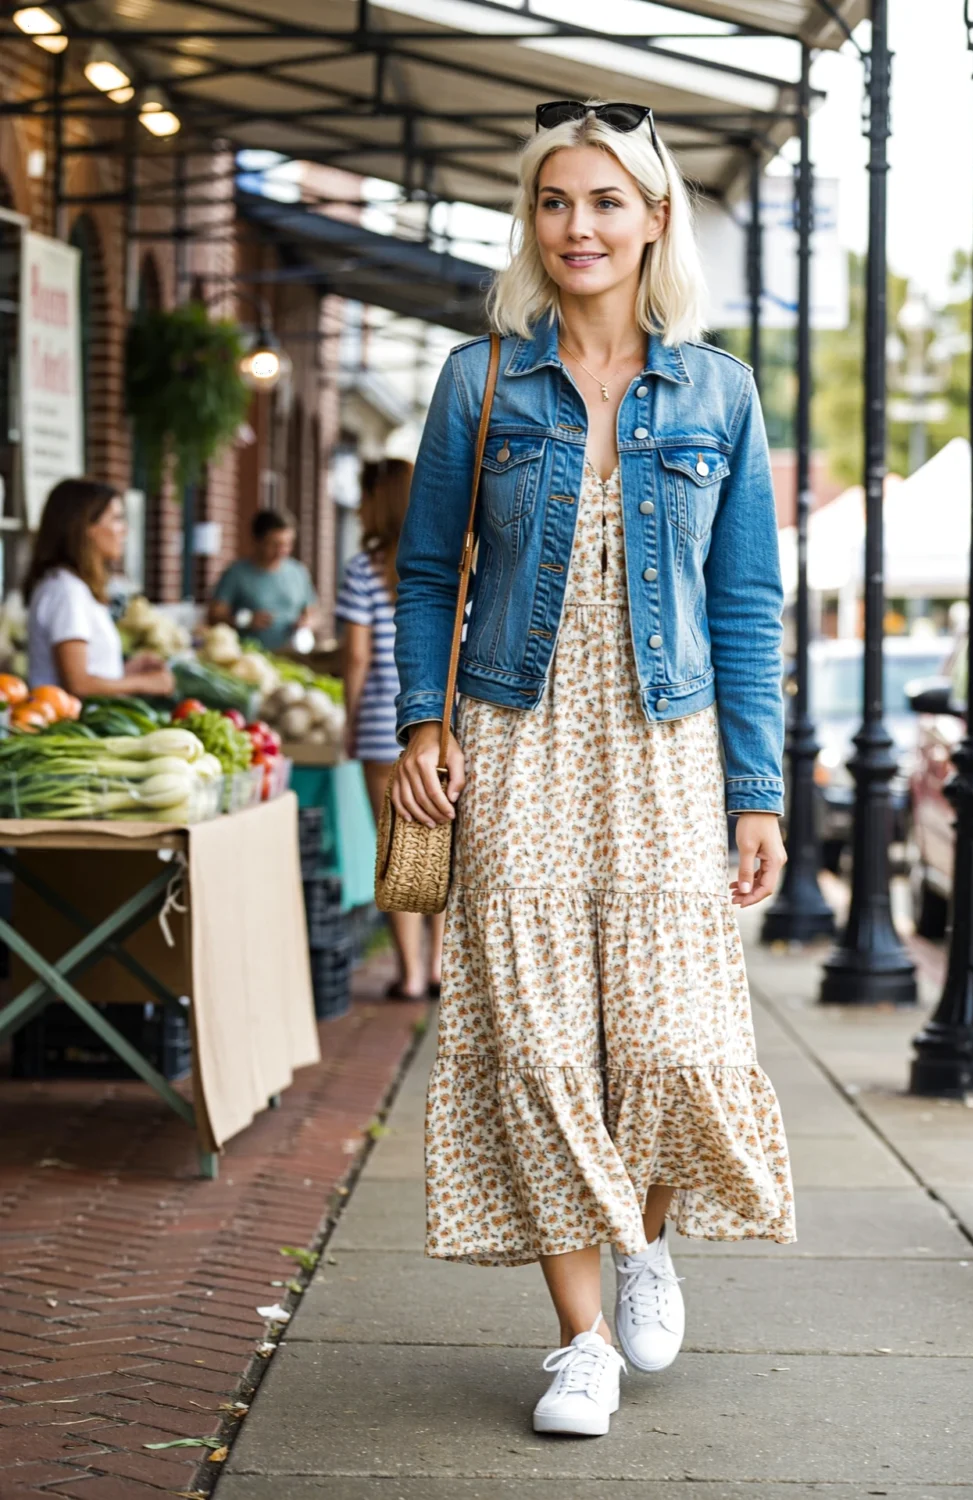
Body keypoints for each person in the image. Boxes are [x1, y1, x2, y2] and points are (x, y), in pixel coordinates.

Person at [391, 101, 794, 1438]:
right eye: (556, 202)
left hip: (667, 743)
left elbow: (744, 603)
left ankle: (644, 1240)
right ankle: (579, 1345)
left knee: (675, 1038)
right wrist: (422, 724)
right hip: (515, 736)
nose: (579, 226)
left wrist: (757, 790)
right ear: (533, 221)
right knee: (536, 1036)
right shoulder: (480, 382)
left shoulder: (721, 390)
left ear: (655, 218)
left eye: (606, 202)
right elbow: (426, 570)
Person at [337, 459, 444, 1001]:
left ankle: (408, 972)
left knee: (396, 849)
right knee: (443, 844)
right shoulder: (450, 564)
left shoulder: (363, 570)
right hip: (443, 726)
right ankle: (441, 965)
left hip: (383, 722)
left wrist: (349, 720)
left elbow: (356, 656)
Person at [26, 477, 174, 698]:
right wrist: (146, 683)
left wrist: (124, 672)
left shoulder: (72, 586)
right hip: (70, 726)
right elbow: (78, 685)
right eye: (116, 519)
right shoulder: (66, 592)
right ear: (86, 527)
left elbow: (85, 672)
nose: (124, 530)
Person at [209, 508, 319, 650]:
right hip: (249, 658)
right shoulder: (236, 573)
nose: (282, 550)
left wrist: (307, 623)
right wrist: (245, 620)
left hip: (293, 657)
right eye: (275, 544)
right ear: (257, 541)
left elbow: (312, 611)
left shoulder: (298, 572)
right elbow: (214, 615)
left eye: (287, 544)